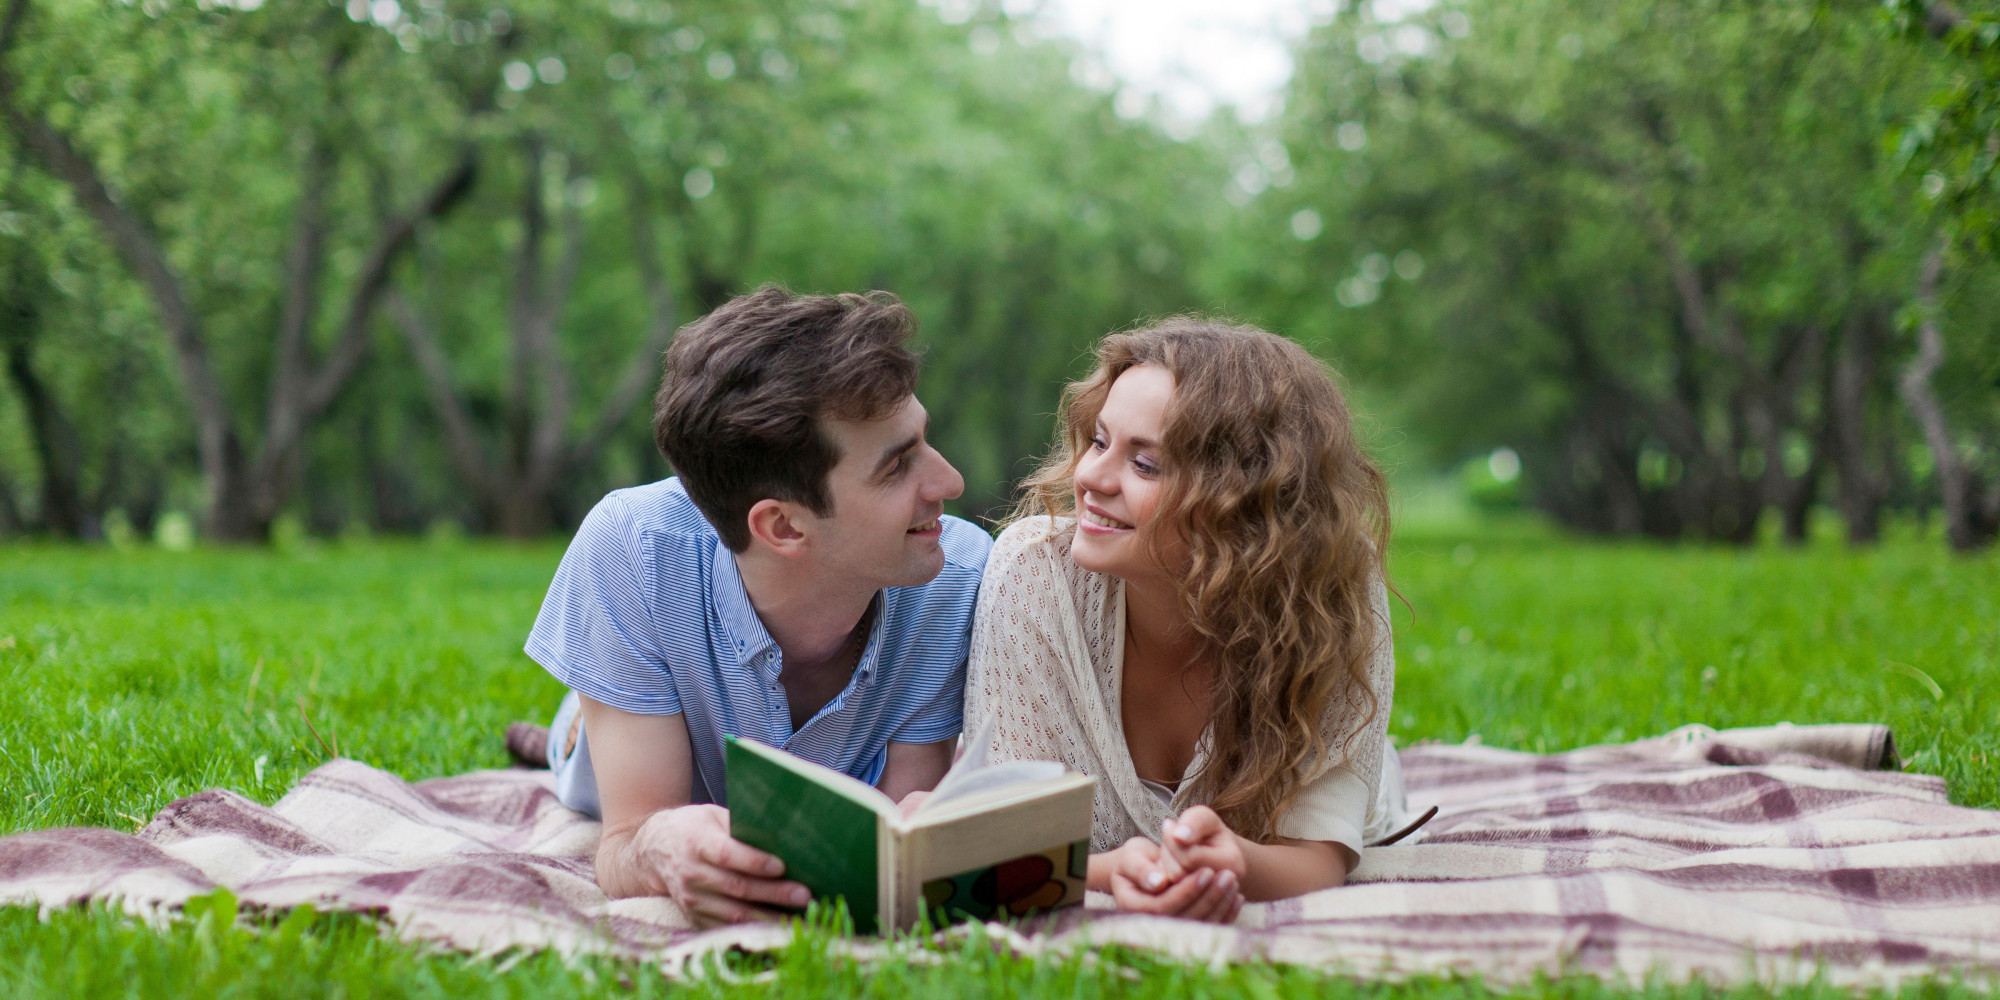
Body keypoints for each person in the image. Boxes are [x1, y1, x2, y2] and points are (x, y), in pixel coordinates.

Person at [514, 287, 990, 926]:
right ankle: (563, 730)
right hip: (631, 723)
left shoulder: (954, 574)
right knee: (584, 766)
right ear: (784, 528)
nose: (950, 483)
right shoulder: (633, 549)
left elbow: (900, 844)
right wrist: (655, 846)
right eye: (898, 467)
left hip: (829, 764)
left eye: (922, 441)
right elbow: (624, 843)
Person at [964, 317, 1412, 924]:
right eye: (1100, 442)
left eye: (1144, 465)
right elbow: (1003, 837)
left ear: (1247, 504)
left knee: (1369, 779)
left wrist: (1235, 864)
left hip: (1353, 803)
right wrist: (1113, 873)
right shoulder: (1033, 572)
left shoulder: (1331, 588)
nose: (1090, 478)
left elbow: (1319, 854)